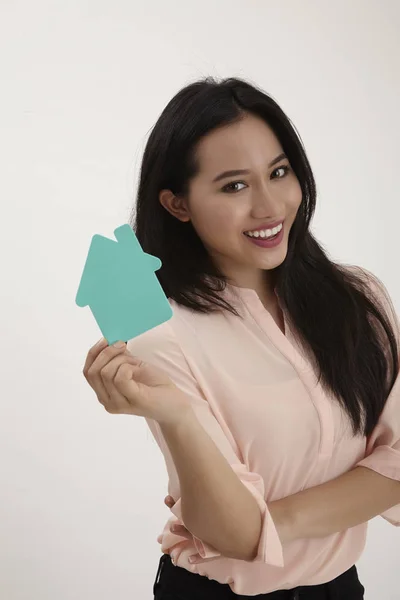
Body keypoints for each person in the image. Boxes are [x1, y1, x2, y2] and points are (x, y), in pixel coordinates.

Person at [82, 77, 400, 599]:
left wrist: (271, 524)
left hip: (340, 590)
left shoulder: (359, 301)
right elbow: (225, 532)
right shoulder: (160, 334)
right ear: (177, 204)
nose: (269, 206)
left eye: (279, 172)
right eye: (234, 186)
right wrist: (178, 415)